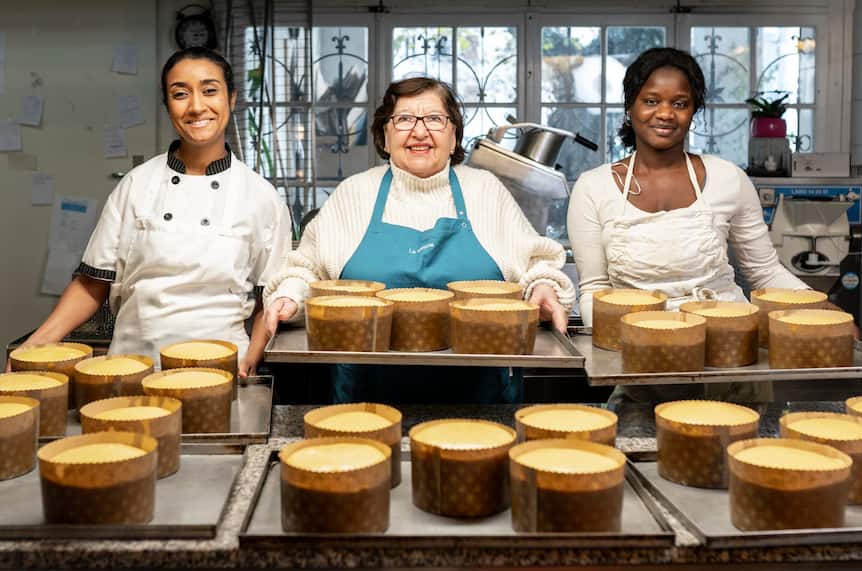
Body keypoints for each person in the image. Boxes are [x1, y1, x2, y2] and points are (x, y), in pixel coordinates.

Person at [263, 76, 574, 403]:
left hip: (480, 402)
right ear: (385, 134)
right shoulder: (355, 193)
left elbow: (534, 266)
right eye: (405, 119)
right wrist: (290, 295)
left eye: (435, 120)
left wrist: (542, 288)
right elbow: (307, 269)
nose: (420, 131)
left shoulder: (485, 191)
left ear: (454, 136)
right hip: (363, 406)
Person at [11, 48, 292, 377]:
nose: (197, 106)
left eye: (210, 90)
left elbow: (268, 299)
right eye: (180, 94)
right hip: (132, 368)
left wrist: (252, 360)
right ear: (168, 105)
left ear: (231, 98)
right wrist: (34, 344)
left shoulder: (261, 196)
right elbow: (92, 284)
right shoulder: (136, 184)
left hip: (221, 371)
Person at [567, 47, 810, 409]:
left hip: (729, 362)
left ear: (694, 111)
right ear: (630, 106)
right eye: (651, 100)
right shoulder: (593, 186)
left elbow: (763, 272)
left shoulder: (729, 179)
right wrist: (620, 352)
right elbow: (595, 290)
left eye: (680, 103)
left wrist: (817, 308)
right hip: (642, 367)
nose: (665, 113)